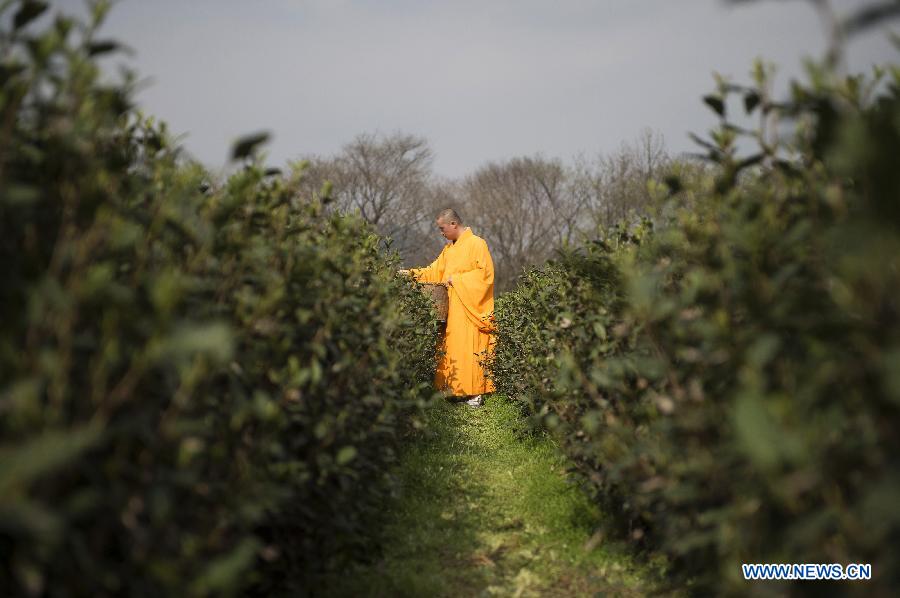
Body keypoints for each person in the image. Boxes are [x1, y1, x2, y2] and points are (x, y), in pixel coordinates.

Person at [400, 209, 496, 407]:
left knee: (469, 350)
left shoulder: (477, 243)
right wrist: (410, 275)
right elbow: (433, 272)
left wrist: (458, 280)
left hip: (469, 308)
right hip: (451, 309)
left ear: (454, 224)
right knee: (452, 350)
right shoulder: (448, 250)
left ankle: (475, 394)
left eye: (442, 228)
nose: (441, 233)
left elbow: (485, 275)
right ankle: (455, 392)